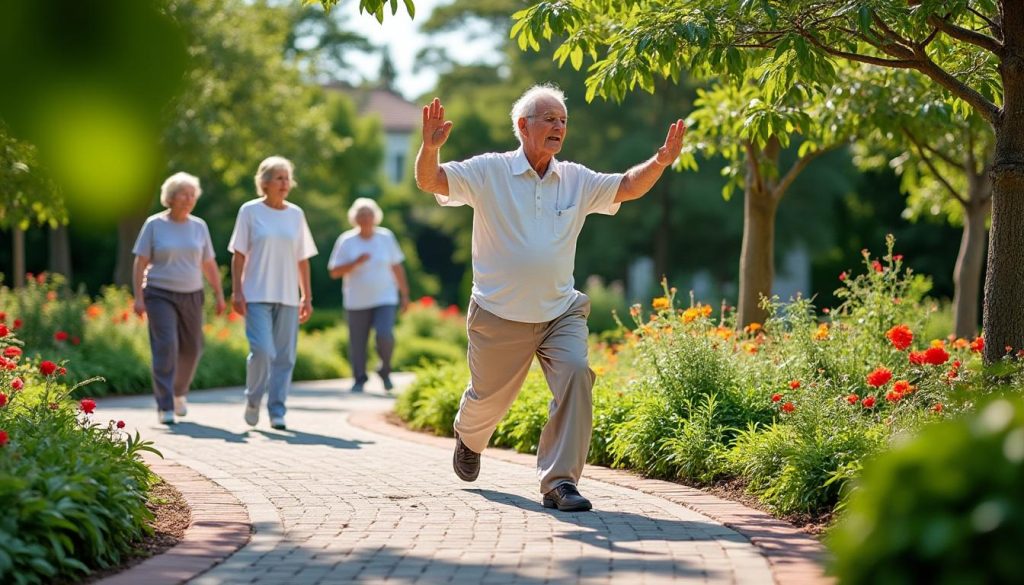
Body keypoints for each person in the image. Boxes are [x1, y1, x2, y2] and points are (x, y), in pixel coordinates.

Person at [414, 85, 685, 512]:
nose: (559, 126)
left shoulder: (575, 178)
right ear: (523, 126)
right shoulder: (490, 171)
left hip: (561, 310)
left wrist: (661, 161)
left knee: (577, 372)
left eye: (563, 120)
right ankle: (469, 438)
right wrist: (429, 149)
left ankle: (559, 483)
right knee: (488, 399)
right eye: (549, 119)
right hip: (498, 312)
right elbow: (431, 181)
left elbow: (628, 186)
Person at [228, 156, 317, 431]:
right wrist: (237, 291)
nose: (284, 183)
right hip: (256, 294)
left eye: (287, 178)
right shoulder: (250, 211)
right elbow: (239, 254)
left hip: (288, 296)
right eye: (278, 178)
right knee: (263, 351)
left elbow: (303, 258)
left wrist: (307, 296)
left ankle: (277, 410)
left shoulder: (296, 214)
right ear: (264, 183)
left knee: (285, 356)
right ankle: (253, 399)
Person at [132, 172, 226, 425]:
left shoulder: (199, 226)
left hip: (193, 293)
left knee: (193, 348)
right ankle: (165, 405)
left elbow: (208, 263)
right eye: (184, 194)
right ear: (170, 198)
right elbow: (140, 262)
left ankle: (179, 392)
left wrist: (219, 294)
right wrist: (138, 297)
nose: (189, 198)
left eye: (192, 194)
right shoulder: (154, 225)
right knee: (167, 345)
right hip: (159, 293)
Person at [327, 198, 410, 393]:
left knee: (385, 334)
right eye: (361, 215)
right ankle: (359, 378)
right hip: (356, 300)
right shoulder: (346, 240)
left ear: (376, 217)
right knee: (358, 341)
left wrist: (404, 294)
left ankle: (385, 370)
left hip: (385, 297)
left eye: (369, 214)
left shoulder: (386, 237)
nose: (365, 218)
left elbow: (397, 266)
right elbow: (334, 271)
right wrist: (355, 262)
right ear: (354, 218)